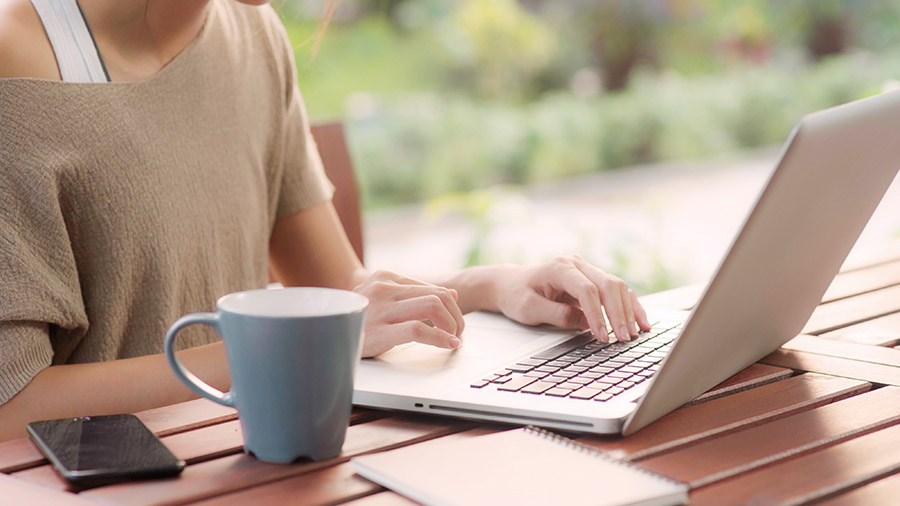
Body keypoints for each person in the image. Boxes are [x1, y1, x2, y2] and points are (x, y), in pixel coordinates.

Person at [0, 0, 650, 441]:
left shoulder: (252, 37)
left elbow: (342, 296)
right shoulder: (15, 65)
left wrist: (491, 287)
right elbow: (13, 403)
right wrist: (291, 347)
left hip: (245, 466)